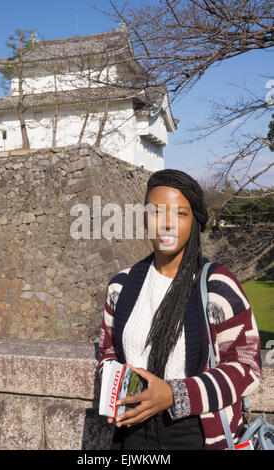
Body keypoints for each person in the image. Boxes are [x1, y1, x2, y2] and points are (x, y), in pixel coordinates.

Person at [98, 169, 261, 450]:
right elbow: (107, 352)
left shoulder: (218, 287)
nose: (167, 224)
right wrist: (119, 388)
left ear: (195, 221)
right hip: (133, 431)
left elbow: (247, 367)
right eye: (156, 212)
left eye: (180, 214)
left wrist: (174, 395)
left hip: (196, 431)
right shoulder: (120, 287)